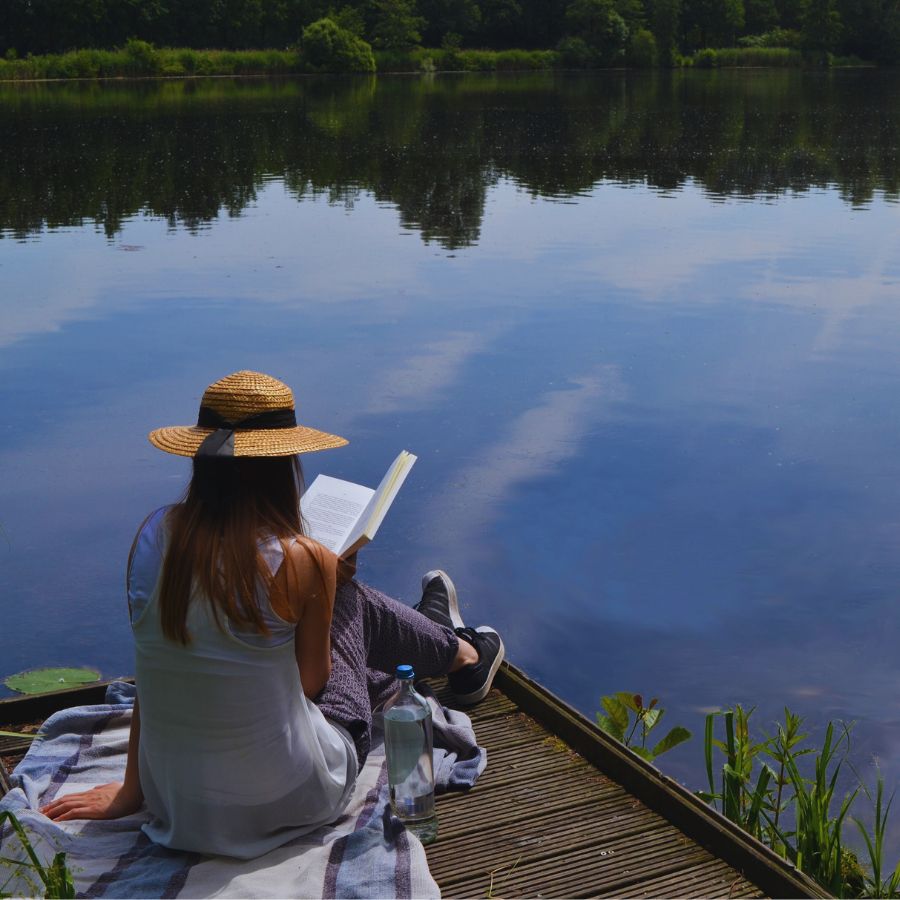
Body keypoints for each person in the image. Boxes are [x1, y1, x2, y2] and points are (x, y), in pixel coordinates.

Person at [40, 370, 504, 858]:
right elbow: (311, 685)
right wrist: (326, 585)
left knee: (334, 606)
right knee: (352, 603)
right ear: (284, 463)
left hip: (177, 801)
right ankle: (461, 653)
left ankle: (442, 640)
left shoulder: (152, 537)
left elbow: (152, 672)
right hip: (295, 797)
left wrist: (132, 793)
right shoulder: (301, 558)